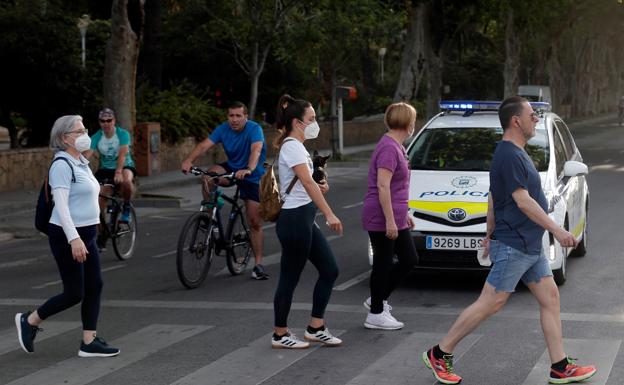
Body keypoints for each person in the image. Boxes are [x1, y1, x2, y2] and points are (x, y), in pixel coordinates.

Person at [422, 96, 596, 384]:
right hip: (515, 244)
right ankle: (440, 353)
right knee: (491, 302)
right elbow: (523, 201)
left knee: (550, 298)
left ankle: (560, 366)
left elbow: (493, 195)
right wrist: (558, 230)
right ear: (516, 120)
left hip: (527, 245)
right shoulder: (509, 155)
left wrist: (488, 232)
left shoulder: (516, 153)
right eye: (531, 115)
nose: (536, 120)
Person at [15, 115, 119, 358]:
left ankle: (89, 342)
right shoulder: (61, 165)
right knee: (74, 292)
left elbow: (82, 195)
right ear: (65, 138)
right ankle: (29, 321)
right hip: (66, 235)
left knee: (95, 285)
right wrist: (74, 239)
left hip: (87, 234)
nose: (85, 135)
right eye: (79, 131)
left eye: (84, 129)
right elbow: (61, 206)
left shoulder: (80, 161)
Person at [271, 94, 343, 349]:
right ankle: (280, 334)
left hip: (303, 218)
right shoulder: (292, 146)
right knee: (289, 278)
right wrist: (330, 213)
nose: (315, 123)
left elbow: (310, 184)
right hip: (294, 220)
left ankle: (316, 327)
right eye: (311, 119)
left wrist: (320, 186)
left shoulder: (298, 148)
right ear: (297, 122)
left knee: (330, 270)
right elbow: (307, 182)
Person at [181, 101, 269, 280]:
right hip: (232, 168)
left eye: (238, 116)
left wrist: (249, 169)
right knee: (208, 177)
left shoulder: (254, 129)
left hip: (252, 174)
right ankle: (209, 212)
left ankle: (258, 265)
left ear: (245, 116)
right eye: (231, 115)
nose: (234, 119)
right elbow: (204, 145)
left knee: (254, 222)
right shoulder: (223, 129)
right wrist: (188, 160)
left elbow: (256, 150)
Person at [362, 102, 418, 330]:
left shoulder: (397, 146)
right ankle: (375, 313)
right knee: (384, 263)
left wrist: (404, 214)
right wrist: (391, 221)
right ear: (408, 123)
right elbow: (383, 187)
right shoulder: (388, 148)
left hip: (394, 214)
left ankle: (377, 299)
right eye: (413, 120)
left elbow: (397, 187)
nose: (414, 124)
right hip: (382, 216)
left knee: (409, 259)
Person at [84, 108, 136, 225]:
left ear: (114, 121)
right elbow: (87, 155)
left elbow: (122, 154)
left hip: (124, 166)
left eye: (109, 120)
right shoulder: (96, 136)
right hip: (106, 169)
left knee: (126, 181)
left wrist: (118, 171)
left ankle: (126, 207)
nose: (106, 123)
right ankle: (101, 230)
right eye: (103, 121)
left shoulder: (123, 134)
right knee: (99, 198)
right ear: (99, 122)